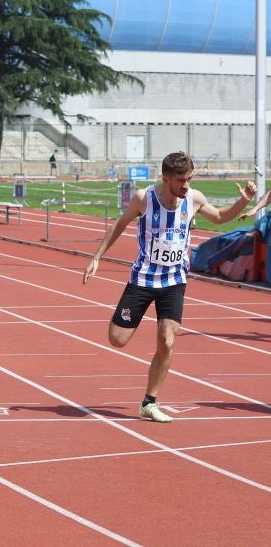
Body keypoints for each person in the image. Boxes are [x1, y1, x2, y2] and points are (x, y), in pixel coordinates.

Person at [83, 151, 257, 423]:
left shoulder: (194, 199)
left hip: (174, 279)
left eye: (188, 179)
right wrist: (97, 257)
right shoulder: (145, 198)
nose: (185, 185)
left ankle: (149, 402)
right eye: (180, 180)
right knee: (117, 339)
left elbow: (221, 217)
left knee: (167, 340)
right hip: (143, 277)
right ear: (166, 179)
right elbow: (121, 223)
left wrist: (243, 200)